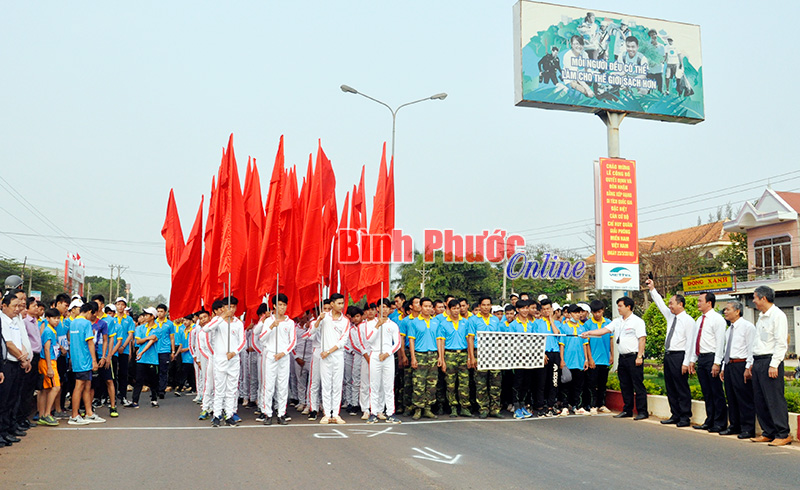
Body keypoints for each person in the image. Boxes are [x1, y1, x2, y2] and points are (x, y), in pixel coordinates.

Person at [582, 296, 648, 420]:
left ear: (628, 307)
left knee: (638, 385)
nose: (618, 308)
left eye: (620, 306)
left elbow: (642, 339)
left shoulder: (637, 321)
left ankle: (642, 411)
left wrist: (640, 356)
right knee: (625, 384)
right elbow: (604, 330)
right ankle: (627, 410)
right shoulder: (617, 321)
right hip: (622, 358)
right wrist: (588, 333)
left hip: (634, 357)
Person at [646, 279, 693, 427]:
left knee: (681, 387)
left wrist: (687, 362)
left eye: (672, 303)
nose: (669, 305)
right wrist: (652, 289)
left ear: (681, 304)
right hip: (669, 355)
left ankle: (685, 417)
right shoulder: (671, 317)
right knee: (670, 386)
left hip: (680, 356)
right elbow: (660, 303)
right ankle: (675, 414)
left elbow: (691, 343)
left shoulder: (688, 320)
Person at [749, 286, 791, 446]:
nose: (753, 301)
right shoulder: (761, 317)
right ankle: (768, 431)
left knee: (774, 398)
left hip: (771, 361)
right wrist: (753, 363)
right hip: (759, 361)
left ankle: (783, 433)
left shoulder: (778, 316)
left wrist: (774, 364)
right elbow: (758, 341)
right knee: (760, 398)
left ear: (763, 298)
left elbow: (781, 343)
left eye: (755, 298)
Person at [202, 296, 246, 427]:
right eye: (228, 307)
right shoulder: (217, 320)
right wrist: (222, 317)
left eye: (233, 307)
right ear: (224, 308)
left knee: (231, 389)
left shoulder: (238, 323)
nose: (231, 310)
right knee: (219, 388)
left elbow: (242, 341)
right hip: (220, 359)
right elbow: (206, 329)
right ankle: (216, 414)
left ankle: (229, 414)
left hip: (233, 359)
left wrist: (234, 352)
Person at [688, 292, 727, 432]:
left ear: (709, 303)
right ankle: (709, 420)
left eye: (700, 301)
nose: (698, 303)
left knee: (716, 392)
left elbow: (720, 342)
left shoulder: (718, 319)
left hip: (712, 357)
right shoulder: (699, 320)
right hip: (702, 358)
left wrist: (717, 363)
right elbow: (695, 341)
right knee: (707, 392)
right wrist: (693, 360)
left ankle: (720, 422)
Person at [720, 301, 756, 439]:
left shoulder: (748, 327)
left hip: (741, 365)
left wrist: (748, 367)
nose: (725, 312)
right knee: (731, 396)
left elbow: (751, 348)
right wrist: (724, 367)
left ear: (737, 311)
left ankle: (748, 428)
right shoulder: (729, 330)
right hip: (730, 365)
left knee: (744, 397)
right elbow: (726, 350)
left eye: (728, 309)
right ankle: (734, 425)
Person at [258, 293, 296, 425]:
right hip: (270, 356)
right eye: (280, 304)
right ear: (274, 305)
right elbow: (261, 338)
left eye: (284, 305)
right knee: (269, 385)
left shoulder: (290, 322)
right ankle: (267, 413)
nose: (282, 307)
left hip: (283, 357)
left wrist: (283, 353)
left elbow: (293, 341)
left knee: (282, 385)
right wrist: (271, 327)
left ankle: (281, 413)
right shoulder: (269, 321)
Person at [0, 293, 33, 443]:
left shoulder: (14, 321)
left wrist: (25, 358)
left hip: (17, 364)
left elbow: (20, 342)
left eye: (18, 306)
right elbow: (9, 344)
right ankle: (2, 431)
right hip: (8, 364)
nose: (16, 309)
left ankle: (9, 428)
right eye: (14, 306)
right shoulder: (3, 320)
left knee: (13, 398)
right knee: (4, 400)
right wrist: (22, 358)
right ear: (4, 306)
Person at [313, 293, 350, 424]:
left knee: (337, 384)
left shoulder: (345, 321)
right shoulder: (324, 317)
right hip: (324, 357)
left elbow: (343, 341)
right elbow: (313, 332)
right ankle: (327, 414)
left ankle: (336, 413)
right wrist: (319, 320)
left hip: (337, 355)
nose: (341, 306)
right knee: (326, 384)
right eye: (339, 303)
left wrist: (329, 351)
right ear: (332, 304)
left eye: (342, 303)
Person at [364, 298, 402, 424]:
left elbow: (397, 343)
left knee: (388, 385)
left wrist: (388, 353)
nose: (384, 309)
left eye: (386, 307)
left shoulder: (393, 325)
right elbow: (368, 339)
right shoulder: (370, 324)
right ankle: (374, 412)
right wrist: (377, 326)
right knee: (374, 385)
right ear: (377, 309)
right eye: (382, 307)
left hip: (388, 356)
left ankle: (390, 412)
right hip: (375, 355)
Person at [67, 302, 105, 425]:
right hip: (84, 359)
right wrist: (94, 360)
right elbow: (90, 343)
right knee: (79, 386)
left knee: (87, 385)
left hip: (77, 359)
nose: (93, 318)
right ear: (90, 312)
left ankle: (89, 413)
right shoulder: (86, 323)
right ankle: (74, 415)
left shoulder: (73, 322)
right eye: (93, 315)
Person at [468, 295, 504, 419]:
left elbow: (500, 337)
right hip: (479, 352)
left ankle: (495, 409)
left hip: (494, 353)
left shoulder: (495, 320)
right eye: (483, 305)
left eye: (488, 305)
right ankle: (483, 408)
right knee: (480, 383)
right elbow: (471, 338)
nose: (486, 307)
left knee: (496, 382)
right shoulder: (473, 320)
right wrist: (471, 357)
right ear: (479, 306)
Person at [436, 299, 471, 418]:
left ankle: (464, 407)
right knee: (450, 384)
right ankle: (453, 407)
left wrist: (470, 357)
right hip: (449, 354)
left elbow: (469, 340)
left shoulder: (465, 322)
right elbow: (441, 341)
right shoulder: (443, 323)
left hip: (462, 354)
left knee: (464, 383)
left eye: (458, 308)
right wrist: (442, 358)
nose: (456, 311)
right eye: (454, 308)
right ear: (449, 309)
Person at [409, 297, 441, 420]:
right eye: (425, 306)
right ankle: (418, 408)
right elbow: (411, 341)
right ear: (421, 307)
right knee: (418, 383)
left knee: (431, 383)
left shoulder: (435, 322)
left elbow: (438, 340)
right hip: (420, 354)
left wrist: (440, 356)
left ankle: (428, 408)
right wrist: (413, 357)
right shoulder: (415, 322)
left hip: (432, 355)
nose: (428, 308)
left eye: (430, 306)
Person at [558, 305, 589, 415]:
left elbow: (585, 344)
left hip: (579, 361)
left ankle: (578, 406)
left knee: (578, 385)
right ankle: (565, 406)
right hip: (568, 361)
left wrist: (586, 360)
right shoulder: (564, 327)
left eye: (579, 313)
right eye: (575, 313)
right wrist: (562, 360)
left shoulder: (582, 328)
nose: (577, 315)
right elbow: (562, 345)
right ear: (570, 314)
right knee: (566, 385)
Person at [582, 300, 613, 415]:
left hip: (605, 358)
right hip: (594, 358)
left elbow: (611, 340)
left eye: (599, 312)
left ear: (603, 311)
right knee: (592, 384)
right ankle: (592, 405)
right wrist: (590, 358)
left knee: (602, 383)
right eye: (595, 312)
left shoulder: (608, 323)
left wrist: (612, 355)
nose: (597, 314)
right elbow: (587, 343)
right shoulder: (588, 324)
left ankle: (601, 404)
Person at [534, 299, 562, 416]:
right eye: (544, 309)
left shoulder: (557, 323)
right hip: (542, 353)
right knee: (541, 381)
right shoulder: (537, 323)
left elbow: (557, 334)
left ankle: (551, 405)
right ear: (541, 311)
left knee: (554, 381)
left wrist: (551, 321)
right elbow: (535, 340)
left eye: (548, 309)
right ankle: (540, 406)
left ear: (552, 310)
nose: (546, 311)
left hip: (555, 353)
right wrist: (541, 353)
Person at [507, 299, 534, 419]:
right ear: (517, 310)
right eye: (522, 308)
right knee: (517, 382)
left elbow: (536, 341)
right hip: (516, 358)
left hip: (529, 358)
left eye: (526, 308)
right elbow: (510, 342)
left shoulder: (531, 324)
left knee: (527, 382)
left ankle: (523, 405)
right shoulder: (513, 325)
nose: (525, 310)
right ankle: (516, 407)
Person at [131, 307, 161, 409]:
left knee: (153, 380)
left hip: (152, 359)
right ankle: (135, 401)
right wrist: (148, 337)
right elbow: (138, 341)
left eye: (147, 314)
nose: (145, 316)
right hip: (141, 359)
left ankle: (154, 399)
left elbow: (151, 343)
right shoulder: (140, 328)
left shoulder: (158, 329)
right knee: (139, 379)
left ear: (153, 317)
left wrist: (142, 352)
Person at [37, 308, 62, 426]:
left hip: (50, 361)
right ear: (48, 319)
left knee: (46, 389)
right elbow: (46, 348)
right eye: (54, 318)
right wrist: (49, 367)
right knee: (56, 387)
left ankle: (43, 414)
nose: (57, 321)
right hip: (49, 362)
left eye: (58, 318)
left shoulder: (52, 330)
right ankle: (47, 414)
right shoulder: (48, 331)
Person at [109, 297, 135, 408]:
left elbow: (130, 335)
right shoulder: (111, 319)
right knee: (113, 373)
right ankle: (112, 396)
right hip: (113, 350)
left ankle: (123, 396)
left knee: (123, 374)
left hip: (123, 349)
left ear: (125, 306)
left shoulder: (128, 320)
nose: (120, 306)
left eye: (122, 304)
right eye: (118, 304)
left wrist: (124, 346)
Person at [154, 304, 174, 399]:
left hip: (165, 350)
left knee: (163, 370)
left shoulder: (169, 324)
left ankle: (161, 390)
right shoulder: (154, 323)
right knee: (154, 371)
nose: (159, 313)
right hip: (154, 350)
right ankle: (155, 390)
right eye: (158, 311)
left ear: (165, 312)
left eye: (161, 311)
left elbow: (172, 338)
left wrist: (173, 351)